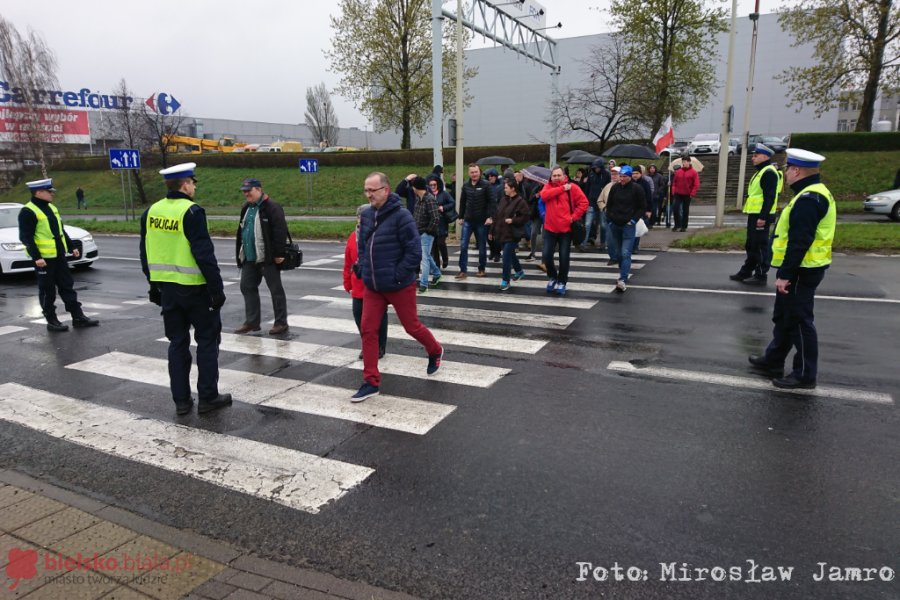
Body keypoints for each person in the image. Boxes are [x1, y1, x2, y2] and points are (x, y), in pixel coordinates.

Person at [140, 162, 231, 416]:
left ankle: (181, 401)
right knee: (207, 342)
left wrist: (153, 285)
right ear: (185, 184)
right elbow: (204, 255)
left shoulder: (151, 212)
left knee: (177, 344)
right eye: (193, 182)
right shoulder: (191, 212)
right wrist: (217, 290)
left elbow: (144, 253)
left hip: (168, 291)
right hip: (196, 290)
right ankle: (208, 397)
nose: (194, 186)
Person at [748, 149, 834, 390]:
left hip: (801, 270)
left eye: (787, 169)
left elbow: (799, 242)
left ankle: (805, 374)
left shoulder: (809, 199)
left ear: (797, 171)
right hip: (802, 268)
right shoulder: (811, 194)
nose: (785, 173)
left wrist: (786, 275)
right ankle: (773, 360)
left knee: (799, 321)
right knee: (784, 318)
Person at [354, 172, 444, 402]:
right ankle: (370, 381)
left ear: (385, 190)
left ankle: (435, 350)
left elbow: (414, 252)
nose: (369, 194)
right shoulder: (366, 215)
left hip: (398, 285)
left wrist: (397, 276)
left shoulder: (402, 216)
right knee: (368, 329)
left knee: (411, 326)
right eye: (366, 190)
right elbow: (363, 246)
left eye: (372, 190)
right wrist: (363, 269)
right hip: (374, 286)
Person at [18, 178, 101, 332]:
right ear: (39, 192)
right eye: (49, 192)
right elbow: (26, 237)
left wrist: (71, 247)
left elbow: (60, 231)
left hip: (59, 256)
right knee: (47, 290)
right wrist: (37, 257)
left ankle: (78, 317)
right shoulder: (28, 211)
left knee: (67, 286)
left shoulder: (51, 208)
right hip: (44, 259)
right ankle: (52, 320)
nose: (52, 194)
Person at [234, 177, 289, 335]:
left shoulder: (272, 207)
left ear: (258, 189)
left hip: (268, 257)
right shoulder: (246, 207)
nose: (246, 194)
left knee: (275, 290)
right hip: (250, 257)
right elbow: (242, 232)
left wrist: (279, 253)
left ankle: (281, 322)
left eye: (248, 191)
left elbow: (280, 231)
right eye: (244, 191)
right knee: (246, 286)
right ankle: (252, 322)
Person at [730, 144, 783, 285]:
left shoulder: (768, 172)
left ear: (765, 157)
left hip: (761, 215)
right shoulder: (761, 171)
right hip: (755, 214)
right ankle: (746, 271)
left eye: (756, 155)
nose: (752, 158)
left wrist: (763, 217)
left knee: (760, 245)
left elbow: (770, 197)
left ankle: (760, 275)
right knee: (751, 244)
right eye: (753, 155)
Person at [343, 204, 388, 359]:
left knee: (379, 317)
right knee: (358, 315)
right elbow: (348, 262)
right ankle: (368, 344)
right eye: (360, 217)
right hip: (358, 284)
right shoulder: (352, 237)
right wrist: (346, 282)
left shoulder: (379, 234)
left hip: (375, 284)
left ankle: (379, 346)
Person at [538, 166, 588, 296]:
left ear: (564, 176)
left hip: (565, 230)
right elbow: (543, 196)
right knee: (547, 256)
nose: (556, 178)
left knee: (564, 257)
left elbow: (584, 203)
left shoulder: (572, 188)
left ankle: (562, 281)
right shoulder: (548, 186)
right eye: (554, 175)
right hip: (550, 229)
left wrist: (573, 217)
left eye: (558, 175)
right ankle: (552, 277)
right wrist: (561, 189)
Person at [605, 166, 646, 293]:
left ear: (629, 177)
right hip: (615, 223)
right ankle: (623, 270)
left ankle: (622, 278)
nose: (622, 179)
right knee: (618, 253)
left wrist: (633, 220)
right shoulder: (615, 187)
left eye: (625, 177)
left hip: (628, 225)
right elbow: (609, 204)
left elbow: (642, 207)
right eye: (620, 176)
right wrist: (610, 218)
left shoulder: (637, 189)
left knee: (625, 252)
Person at [456, 164, 496, 279]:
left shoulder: (486, 185)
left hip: (482, 221)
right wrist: (461, 216)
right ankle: (463, 271)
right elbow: (462, 202)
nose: (474, 174)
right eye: (472, 172)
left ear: (480, 172)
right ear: (469, 173)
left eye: (476, 172)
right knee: (463, 245)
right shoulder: (466, 186)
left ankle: (481, 269)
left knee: (482, 246)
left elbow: (492, 202)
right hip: (468, 220)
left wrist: (490, 217)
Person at [489, 177, 530, 291]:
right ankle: (519, 271)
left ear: (513, 189)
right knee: (510, 254)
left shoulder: (521, 202)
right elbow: (497, 216)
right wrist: (491, 231)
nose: (504, 189)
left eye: (506, 187)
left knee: (506, 257)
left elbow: (526, 217)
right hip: (502, 232)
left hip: (513, 234)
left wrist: (513, 220)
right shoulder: (503, 199)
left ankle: (505, 281)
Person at [410, 176, 442, 293]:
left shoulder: (429, 199)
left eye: (413, 186)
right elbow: (416, 215)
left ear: (416, 187)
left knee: (424, 258)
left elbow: (436, 218)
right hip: (418, 232)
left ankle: (424, 285)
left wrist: (428, 231)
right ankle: (437, 274)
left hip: (427, 234)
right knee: (426, 256)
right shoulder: (419, 198)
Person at [427, 175, 455, 270]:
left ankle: (445, 259)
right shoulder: (427, 195)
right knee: (434, 245)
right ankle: (437, 265)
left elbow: (452, 203)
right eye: (430, 185)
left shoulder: (444, 194)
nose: (433, 186)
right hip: (432, 223)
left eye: (434, 184)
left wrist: (443, 207)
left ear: (438, 184)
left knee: (441, 242)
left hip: (442, 222)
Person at [671, 155, 699, 231]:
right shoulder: (679, 172)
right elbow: (674, 182)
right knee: (675, 208)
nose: (684, 163)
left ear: (689, 162)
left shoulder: (693, 172)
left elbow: (696, 184)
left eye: (686, 162)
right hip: (678, 193)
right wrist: (673, 190)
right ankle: (677, 225)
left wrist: (692, 193)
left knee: (685, 210)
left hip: (687, 194)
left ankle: (684, 226)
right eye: (683, 162)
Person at [484, 169, 504, 262]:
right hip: (487, 213)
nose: (490, 177)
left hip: (497, 214)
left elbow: (501, 201)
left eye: (492, 176)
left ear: (496, 176)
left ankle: (497, 253)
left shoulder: (500, 187)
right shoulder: (486, 186)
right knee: (488, 236)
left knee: (496, 236)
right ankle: (492, 251)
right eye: (489, 176)